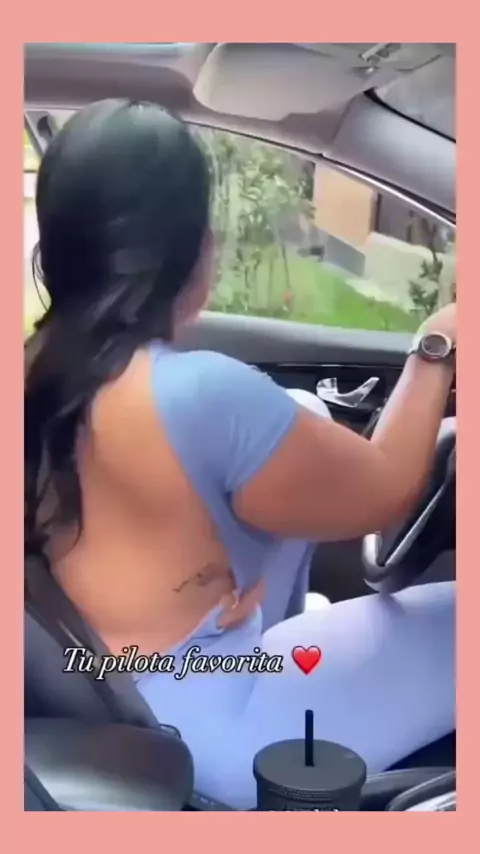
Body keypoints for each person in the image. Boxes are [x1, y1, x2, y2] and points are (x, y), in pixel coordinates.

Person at [25, 100, 455, 810]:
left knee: (307, 419)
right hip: (216, 731)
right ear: (195, 249)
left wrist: (194, 592)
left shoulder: (36, 370)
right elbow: (388, 492)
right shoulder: (201, 395)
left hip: (126, 697)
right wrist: (438, 344)